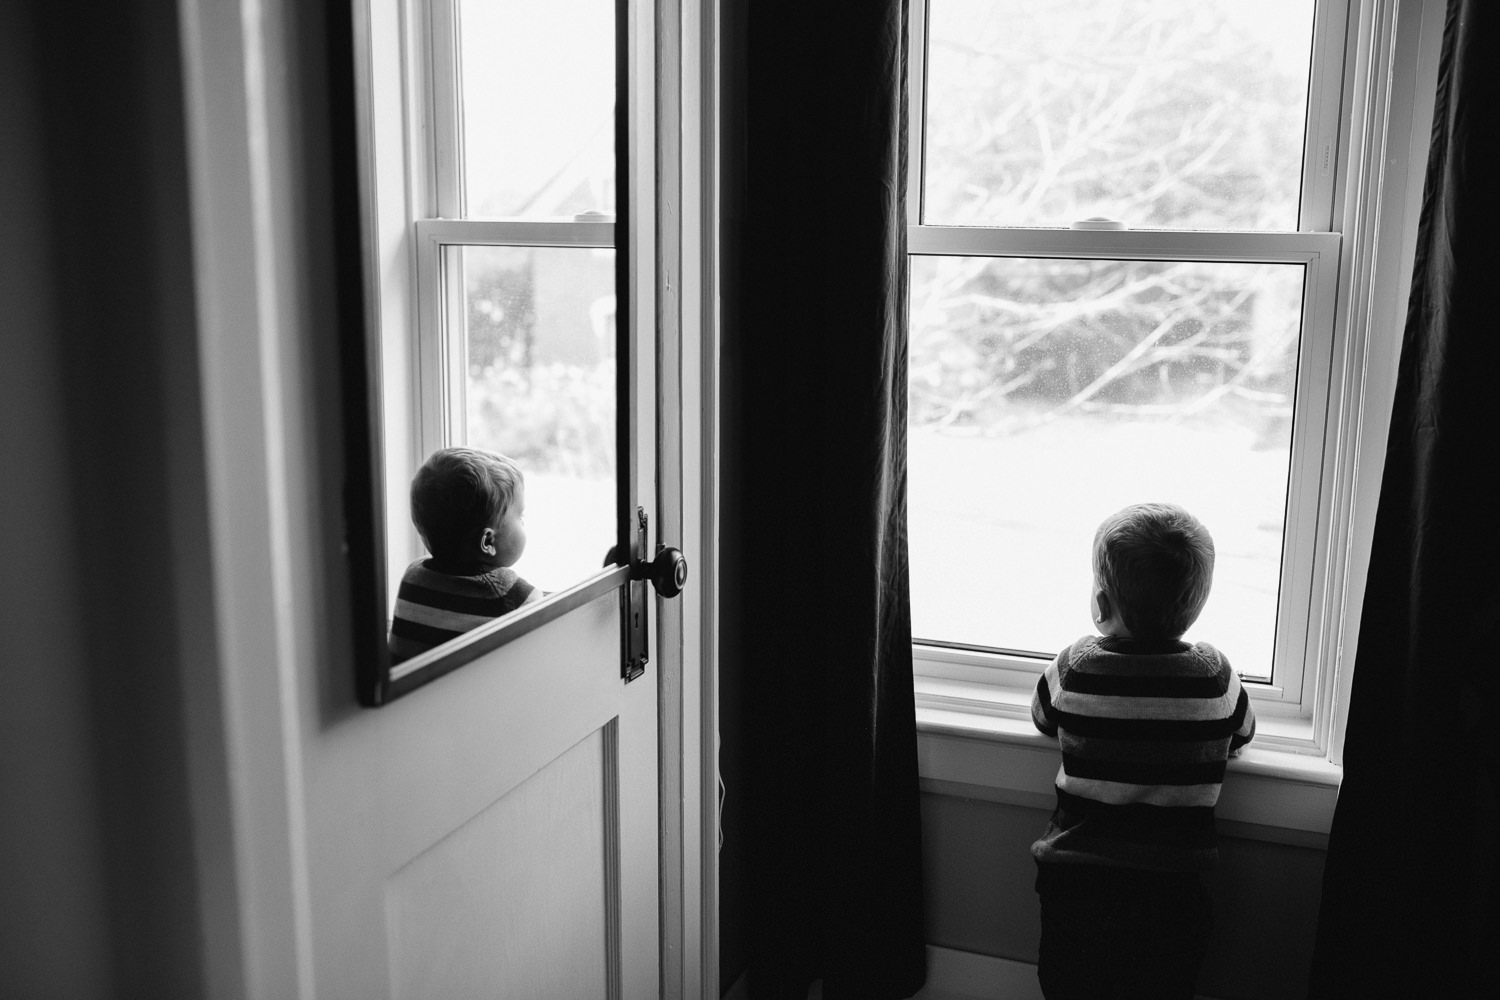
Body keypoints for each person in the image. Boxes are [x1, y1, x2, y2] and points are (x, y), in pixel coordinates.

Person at [1030, 502, 1255, 999]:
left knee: (1071, 986)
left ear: (1101, 603)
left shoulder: (1075, 666)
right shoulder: (1215, 675)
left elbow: (1043, 716)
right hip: (1170, 892)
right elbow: (1243, 732)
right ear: (1195, 605)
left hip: (1078, 886)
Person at [388, 447, 542, 664]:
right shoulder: (514, 597)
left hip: (412, 696)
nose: (524, 522)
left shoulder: (412, 576)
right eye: (520, 516)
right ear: (488, 541)